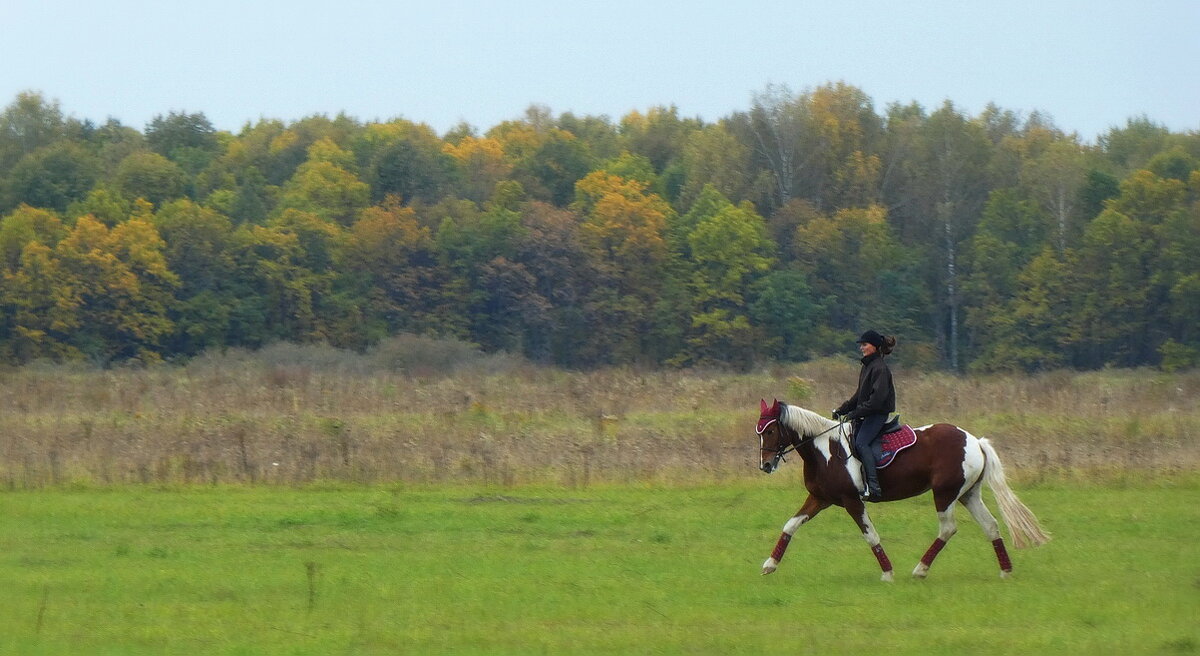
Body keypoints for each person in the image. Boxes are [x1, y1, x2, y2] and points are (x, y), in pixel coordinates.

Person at [833, 330, 897, 502]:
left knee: (861, 443)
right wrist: (842, 410)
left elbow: (876, 401)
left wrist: (856, 413)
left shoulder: (880, 369)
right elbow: (859, 395)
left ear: (875, 347)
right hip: (868, 413)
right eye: (861, 345)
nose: (861, 348)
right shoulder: (867, 366)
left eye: (864, 344)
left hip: (877, 414)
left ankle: (874, 487)